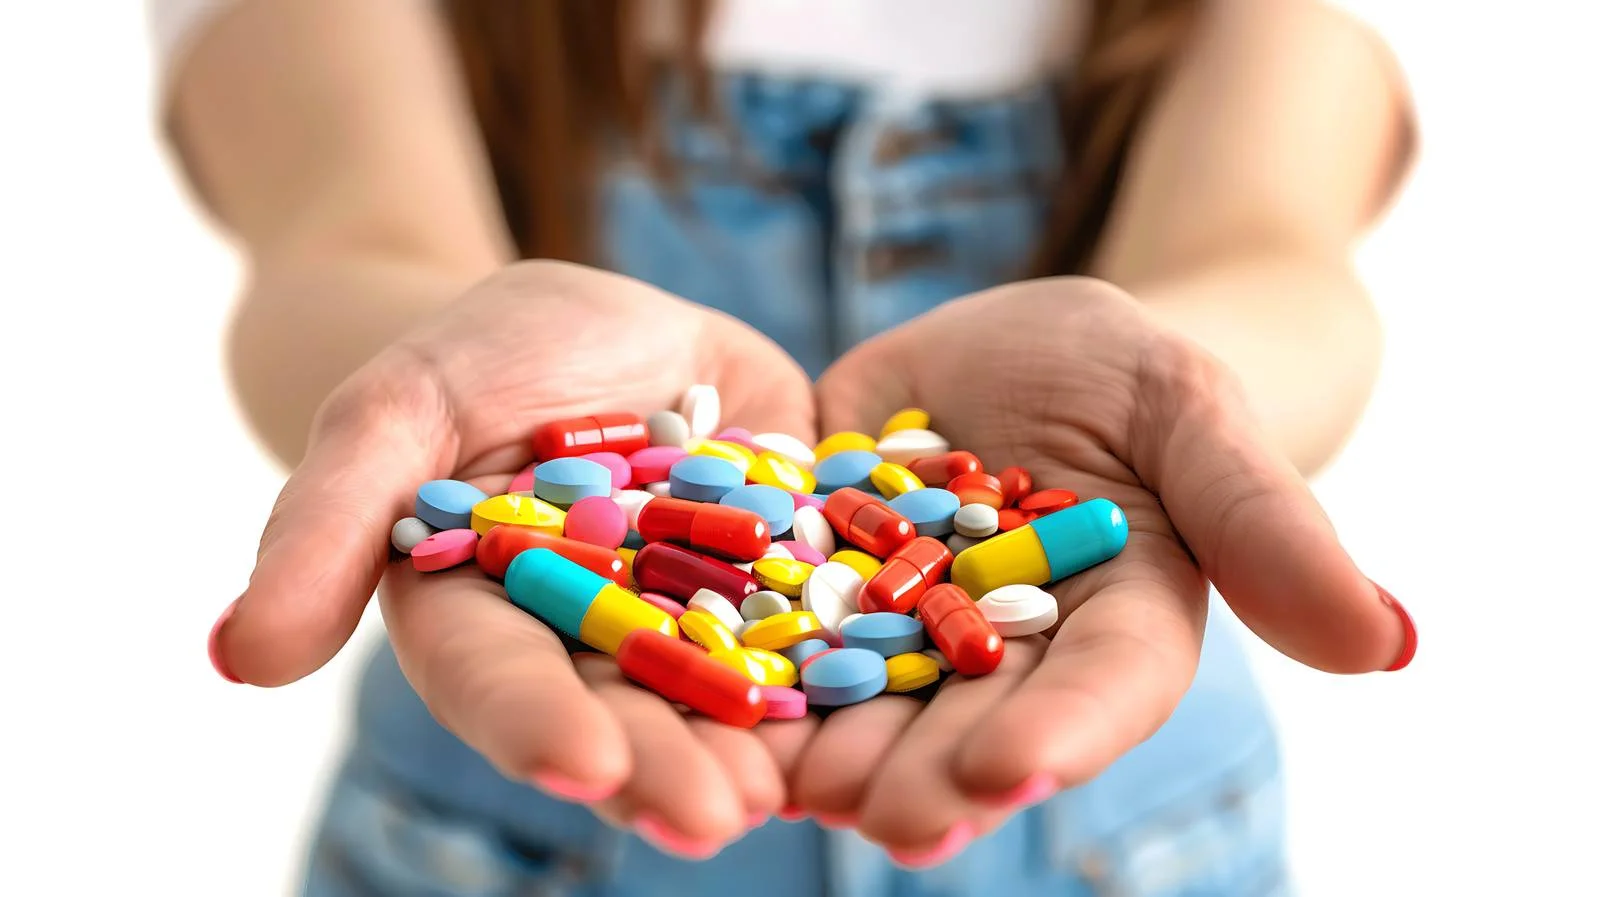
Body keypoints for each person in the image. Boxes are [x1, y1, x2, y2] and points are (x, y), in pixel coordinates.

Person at [155, 0, 1419, 893]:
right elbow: (346, 236)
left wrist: (1185, 394)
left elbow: (1267, 254)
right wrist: (434, 360)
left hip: (1137, 840)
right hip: (505, 842)